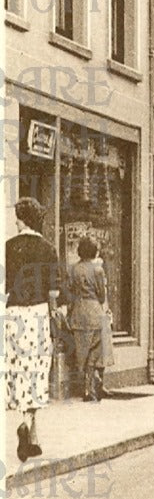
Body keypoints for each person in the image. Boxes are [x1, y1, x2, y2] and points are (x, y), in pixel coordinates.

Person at [6, 198, 61, 461]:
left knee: (20, 371)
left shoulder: (9, 246)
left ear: (24, 218)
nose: (16, 221)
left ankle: (33, 440)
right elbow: (53, 293)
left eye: (18, 217)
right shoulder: (48, 249)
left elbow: (6, 287)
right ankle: (27, 425)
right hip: (38, 314)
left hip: (14, 314)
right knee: (37, 373)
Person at [66, 237, 108, 403]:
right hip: (94, 311)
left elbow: (69, 290)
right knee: (95, 348)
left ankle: (85, 387)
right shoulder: (98, 270)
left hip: (78, 311)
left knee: (81, 351)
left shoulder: (73, 269)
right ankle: (90, 386)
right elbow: (102, 296)